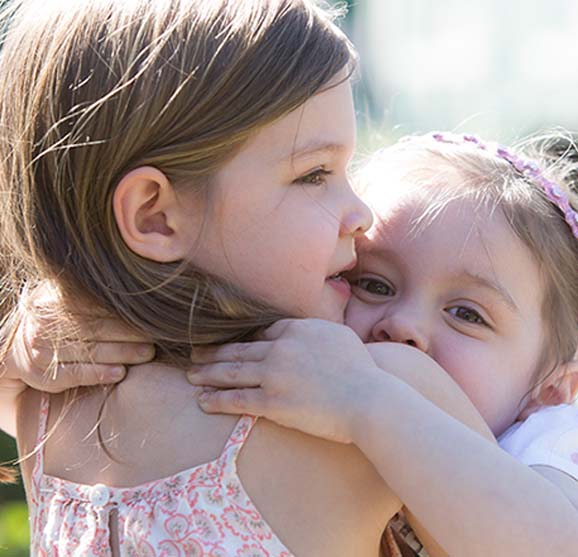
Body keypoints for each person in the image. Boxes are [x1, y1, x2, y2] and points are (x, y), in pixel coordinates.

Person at [0, 1, 491, 555]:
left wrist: (371, 405)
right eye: (314, 175)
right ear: (154, 217)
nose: (361, 214)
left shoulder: (373, 389)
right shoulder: (49, 388)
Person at [183, 132, 578, 556]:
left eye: (466, 314)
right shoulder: (311, 380)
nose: (402, 325)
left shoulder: (553, 439)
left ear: (550, 388)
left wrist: (368, 402)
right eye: (375, 284)